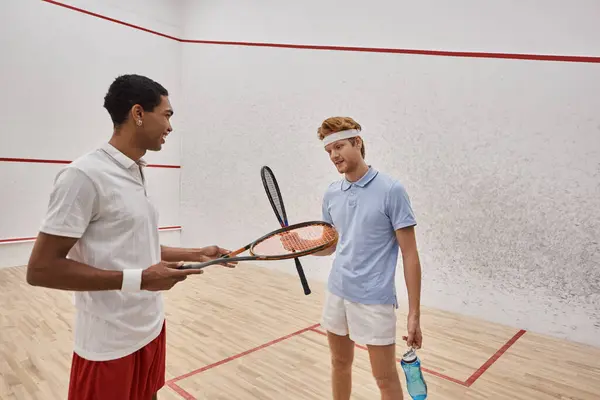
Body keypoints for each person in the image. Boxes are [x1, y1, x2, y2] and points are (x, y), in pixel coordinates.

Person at [25, 74, 234, 400]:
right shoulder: (83, 176)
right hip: (108, 344)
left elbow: (134, 245)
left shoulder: (136, 170)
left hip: (150, 328)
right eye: (166, 115)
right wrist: (141, 279)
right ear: (138, 113)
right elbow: (41, 269)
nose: (170, 126)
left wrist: (198, 253)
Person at [311, 116, 424, 400]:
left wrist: (414, 313)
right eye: (329, 151)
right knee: (339, 364)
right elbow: (331, 245)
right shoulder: (332, 193)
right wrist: (304, 247)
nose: (334, 155)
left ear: (357, 142)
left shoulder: (391, 190)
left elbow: (410, 255)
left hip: (375, 298)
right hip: (338, 291)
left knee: (384, 378)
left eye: (339, 146)